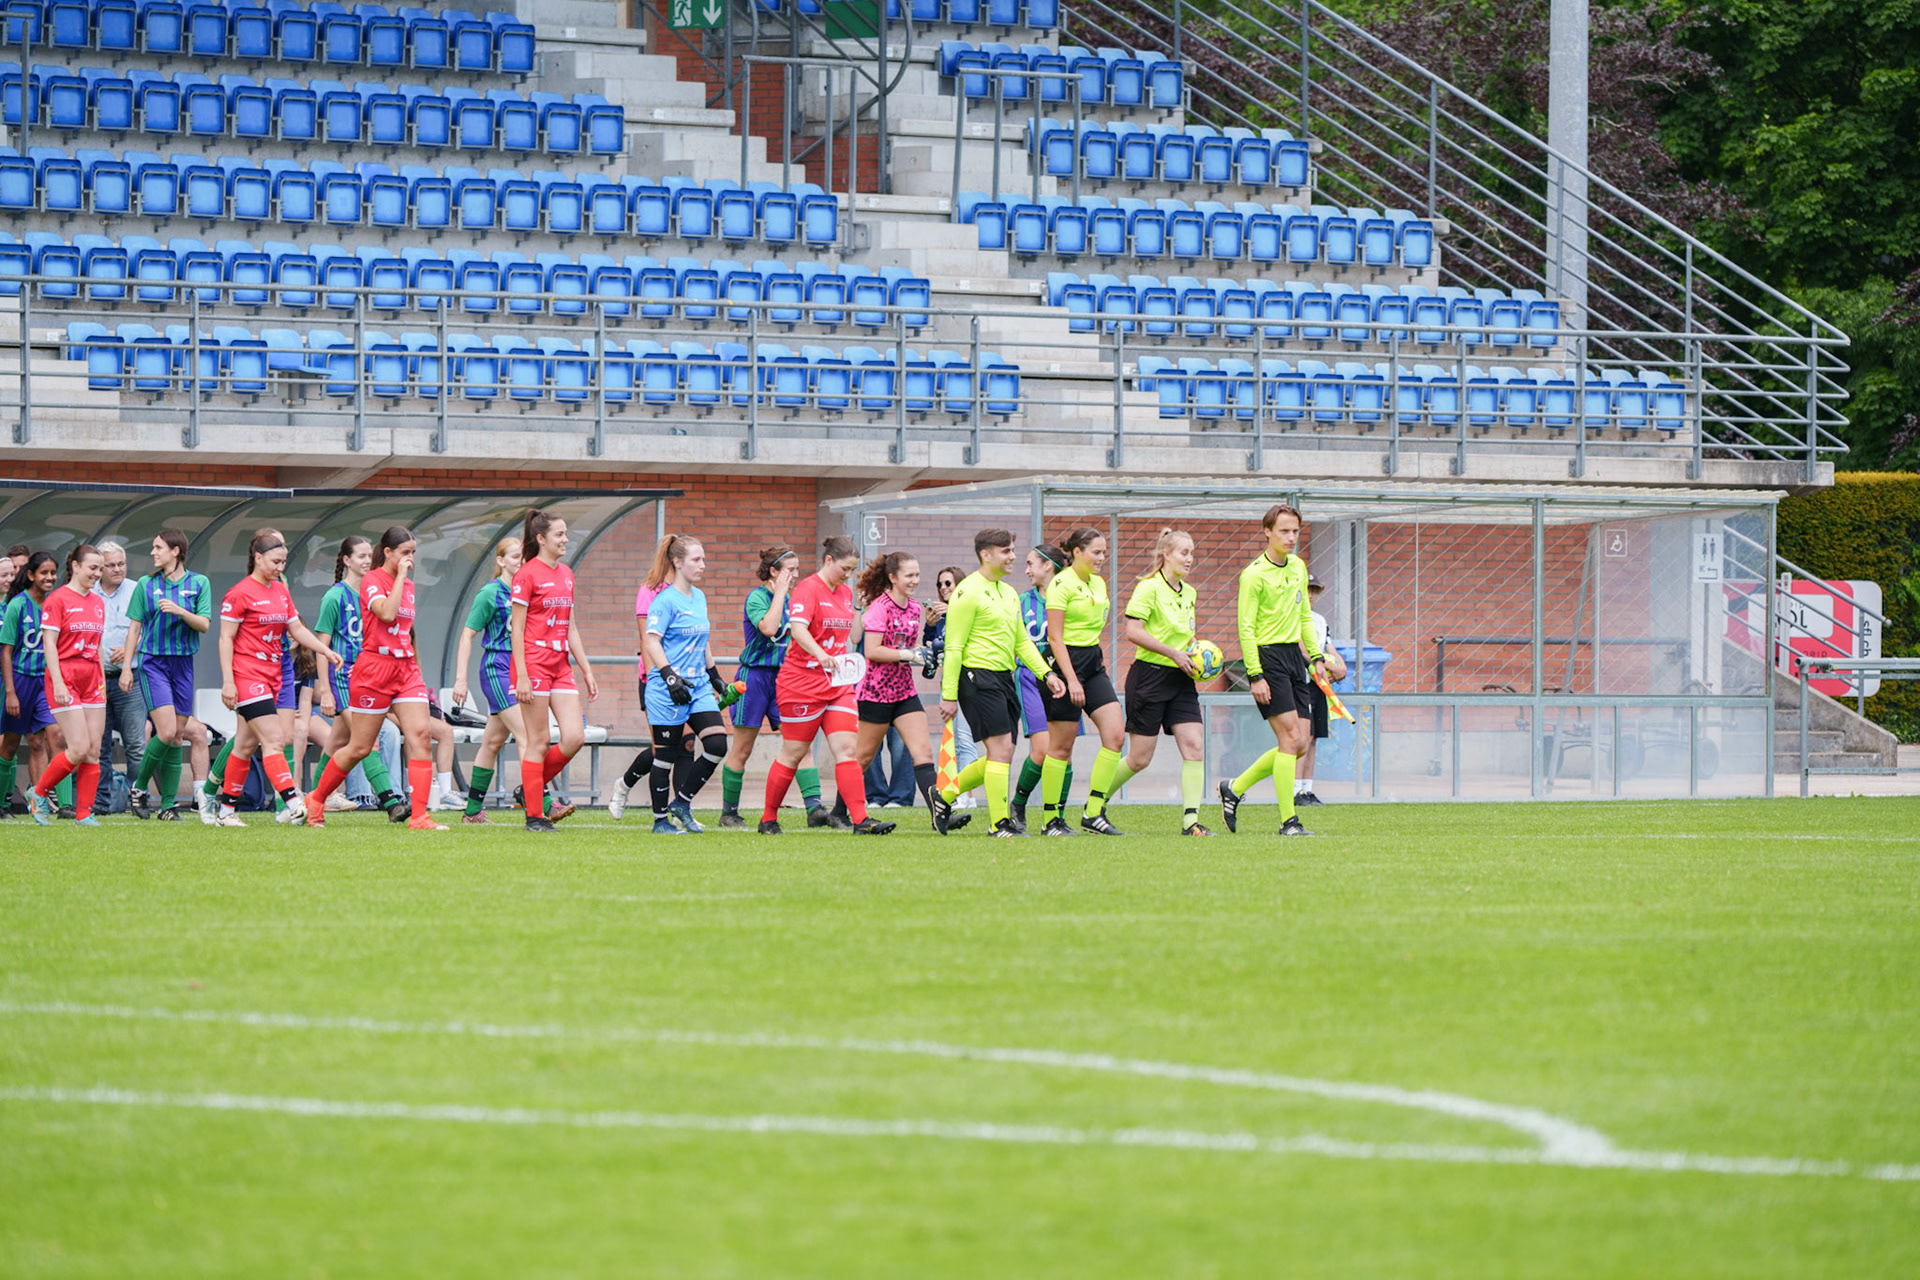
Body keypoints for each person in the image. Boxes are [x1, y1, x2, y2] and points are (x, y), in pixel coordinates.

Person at [302, 526, 446, 831]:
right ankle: (316, 799)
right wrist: (401, 577)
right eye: (405, 552)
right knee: (360, 747)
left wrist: (414, 664)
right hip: (374, 670)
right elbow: (387, 614)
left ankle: (419, 816)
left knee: (421, 736)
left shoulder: (409, 586)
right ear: (389, 552)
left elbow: (404, 629)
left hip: (405, 668)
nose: (410, 559)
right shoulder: (373, 580)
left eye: (413, 553)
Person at [931, 529, 1065, 838]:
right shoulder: (966, 592)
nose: (1013, 557)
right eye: (1006, 551)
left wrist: (1047, 674)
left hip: (1005, 678)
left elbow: (1022, 642)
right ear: (986, 554)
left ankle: (943, 795)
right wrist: (949, 695)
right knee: (1001, 749)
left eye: (1013, 550)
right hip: (977, 677)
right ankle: (999, 824)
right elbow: (954, 647)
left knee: (1001, 753)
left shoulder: (1008, 593)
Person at [759, 536, 895, 836]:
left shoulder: (845, 592)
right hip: (801, 683)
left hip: (836, 683)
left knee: (847, 749)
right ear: (829, 560)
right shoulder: (808, 589)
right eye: (845, 568)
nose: (848, 575)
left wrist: (859, 608)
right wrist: (820, 654)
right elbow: (798, 630)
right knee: (794, 752)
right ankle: (768, 818)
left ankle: (861, 820)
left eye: (853, 570)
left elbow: (853, 637)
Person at [212, 533, 341, 827]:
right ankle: (293, 804)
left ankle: (225, 812)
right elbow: (225, 639)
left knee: (244, 746)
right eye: (275, 561)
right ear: (257, 558)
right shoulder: (238, 593)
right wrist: (228, 681)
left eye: (283, 562)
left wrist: (324, 650)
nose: (280, 567)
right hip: (247, 675)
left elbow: (297, 629)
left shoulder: (281, 591)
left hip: (273, 676)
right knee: (274, 739)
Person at [1219, 503, 1328, 838]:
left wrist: (1317, 657)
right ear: (1267, 532)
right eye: (1284, 531)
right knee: (1290, 739)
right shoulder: (1253, 575)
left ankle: (1235, 788)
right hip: (1268, 659)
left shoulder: (1297, 566)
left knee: (1300, 743)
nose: (1291, 537)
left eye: (1295, 531)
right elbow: (1246, 627)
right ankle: (1288, 822)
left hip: (1294, 658)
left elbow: (1304, 616)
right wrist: (1255, 674)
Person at [845, 550, 968, 831]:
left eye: (917, 575)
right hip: (875, 694)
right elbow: (872, 651)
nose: (915, 580)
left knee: (923, 753)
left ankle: (940, 816)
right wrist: (910, 655)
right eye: (909, 575)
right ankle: (841, 813)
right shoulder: (879, 607)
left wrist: (926, 650)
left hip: (904, 693)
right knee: (862, 758)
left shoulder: (914, 608)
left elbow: (910, 647)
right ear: (893, 577)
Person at [713, 545, 833, 829]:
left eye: (797, 569)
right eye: (790, 570)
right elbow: (768, 627)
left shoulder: (794, 600)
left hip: (785, 678)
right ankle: (729, 813)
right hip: (754, 678)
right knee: (743, 748)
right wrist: (779, 593)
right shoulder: (757, 597)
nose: (795, 575)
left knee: (800, 744)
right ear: (773, 571)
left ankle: (814, 808)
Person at [1109, 528, 1212, 836]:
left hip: (1181, 679)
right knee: (1140, 758)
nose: (1190, 559)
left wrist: (1199, 656)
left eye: (1192, 553)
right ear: (1166, 554)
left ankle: (1190, 822)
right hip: (1149, 677)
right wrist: (1173, 653)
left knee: (1194, 746)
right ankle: (1095, 803)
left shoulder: (1190, 593)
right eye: (1184, 552)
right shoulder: (1148, 587)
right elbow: (1133, 632)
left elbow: (1184, 637)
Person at [506, 509, 599, 834]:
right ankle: (535, 817)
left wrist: (586, 669)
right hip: (533, 663)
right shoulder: (526, 575)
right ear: (541, 538)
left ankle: (529, 788)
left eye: (565, 533)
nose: (565, 540)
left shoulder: (566, 573)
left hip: (560, 666)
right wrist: (522, 675)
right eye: (559, 534)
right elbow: (517, 630)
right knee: (539, 740)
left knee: (574, 737)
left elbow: (570, 627)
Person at [640, 534, 735, 834]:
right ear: (678, 562)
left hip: (698, 687)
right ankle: (660, 821)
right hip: (667, 689)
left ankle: (681, 803)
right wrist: (669, 676)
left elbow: (702, 639)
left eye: (703, 558)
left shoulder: (700, 597)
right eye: (697, 559)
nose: (703, 565)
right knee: (665, 756)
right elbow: (651, 641)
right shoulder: (664, 601)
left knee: (717, 744)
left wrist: (715, 676)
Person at [312, 536, 406, 819]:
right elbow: (321, 647)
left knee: (335, 743)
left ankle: (313, 799)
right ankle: (391, 802)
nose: (368, 561)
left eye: (369, 555)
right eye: (361, 556)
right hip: (343, 678)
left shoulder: (373, 593)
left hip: (366, 676)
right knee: (369, 740)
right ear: (347, 560)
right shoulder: (335, 597)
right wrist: (326, 690)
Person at [122, 530, 213, 820]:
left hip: (183, 664)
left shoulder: (199, 583)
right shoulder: (146, 585)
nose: (153, 552)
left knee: (177, 738)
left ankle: (168, 806)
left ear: (176, 551)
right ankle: (139, 787)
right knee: (166, 731)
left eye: (158, 547)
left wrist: (180, 611)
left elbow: (204, 624)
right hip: (153, 662)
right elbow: (134, 628)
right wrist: (126, 668)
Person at [1042, 526, 1126, 837]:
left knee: (1115, 735)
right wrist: (1071, 680)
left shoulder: (1098, 583)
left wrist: (1085, 674)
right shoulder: (1060, 584)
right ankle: (1051, 820)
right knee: (1061, 747)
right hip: (1065, 664)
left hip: (1092, 662)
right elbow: (1055, 637)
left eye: (1104, 552)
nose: (1102, 558)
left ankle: (1093, 813)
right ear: (1077, 552)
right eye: (1096, 552)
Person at [25, 546, 108, 825]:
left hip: (93, 679)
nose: (97, 574)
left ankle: (84, 814)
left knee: (94, 749)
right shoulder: (57, 599)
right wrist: (58, 682)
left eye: (100, 569)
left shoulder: (98, 602)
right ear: (75, 566)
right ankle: (38, 793)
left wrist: (102, 681)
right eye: (93, 568)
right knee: (79, 747)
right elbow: (49, 643)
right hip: (65, 676)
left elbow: (97, 646)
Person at [451, 536, 525, 824]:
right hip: (498, 668)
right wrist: (461, 679)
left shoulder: (525, 590)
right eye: (515, 556)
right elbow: (467, 635)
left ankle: (472, 812)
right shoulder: (490, 593)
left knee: (492, 742)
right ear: (501, 561)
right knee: (528, 736)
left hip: (519, 668)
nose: (521, 561)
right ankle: (541, 802)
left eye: (523, 556)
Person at [1006, 545, 1065, 833]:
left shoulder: (1068, 597)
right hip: (1030, 678)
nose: (1026, 569)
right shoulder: (1022, 601)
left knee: (1064, 750)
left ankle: (1057, 817)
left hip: (1064, 678)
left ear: (1048, 566)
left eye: (1031, 564)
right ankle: (1018, 804)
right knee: (1042, 750)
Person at [0, 553, 63, 819]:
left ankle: (57, 804)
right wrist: (11, 693)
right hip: (20, 680)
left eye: (53, 573)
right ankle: (3, 804)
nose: (49, 578)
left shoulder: (56, 603)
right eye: (44, 573)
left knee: (54, 737)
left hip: (45, 681)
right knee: (11, 744)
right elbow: (6, 651)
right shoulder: (17, 605)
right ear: (31, 575)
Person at [91, 541, 145, 816]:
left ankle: (138, 799)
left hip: (129, 678)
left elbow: (149, 630)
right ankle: (101, 802)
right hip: (96, 679)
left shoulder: (137, 590)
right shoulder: (89, 592)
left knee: (135, 744)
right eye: (110, 565)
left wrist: (130, 648)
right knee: (99, 746)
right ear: (100, 568)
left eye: (121, 564)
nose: (117, 569)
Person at [926, 564, 977, 789]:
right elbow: (930, 645)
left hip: (967, 680)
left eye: (948, 583)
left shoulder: (967, 608)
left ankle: (967, 794)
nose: (943, 588)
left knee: (965, 739)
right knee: (953, 740)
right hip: (948, 681)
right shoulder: (941, 615)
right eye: (940, 584)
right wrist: (930, 626)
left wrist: (953, 610)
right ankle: (959, 793)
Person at [1296, 574, 1345, 807]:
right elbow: (1302, 650)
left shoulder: (1320, 620)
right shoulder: (1292, 617)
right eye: (1307, 589)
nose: (1310, 594)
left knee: (1314, 738)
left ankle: (1307, 789)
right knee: (1303, 737)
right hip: (1301, 682)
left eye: (1314, 590)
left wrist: (1340, 666)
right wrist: (1328, 666)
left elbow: (1329, 647)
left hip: (1318, 684)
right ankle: (1295, 790)